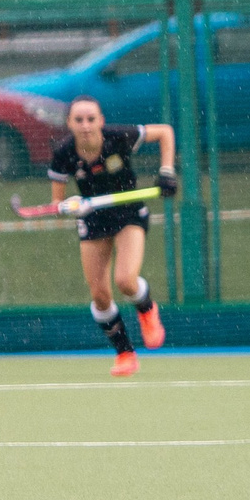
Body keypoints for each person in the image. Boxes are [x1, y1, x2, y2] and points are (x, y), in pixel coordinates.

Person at [47, 96, 174, 376]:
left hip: (128, 212)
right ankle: (125, 353)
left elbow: (165, 132)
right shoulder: (63, 153)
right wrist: (69, 205)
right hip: (93, 218)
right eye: (78, 120)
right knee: (100, 296)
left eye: (91, 119)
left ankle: (147, 310)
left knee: (125, 280)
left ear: (101, 121)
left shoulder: (119, 137)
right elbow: (58, 204)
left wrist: (166, 171)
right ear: (69, 123)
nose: (86, 126)